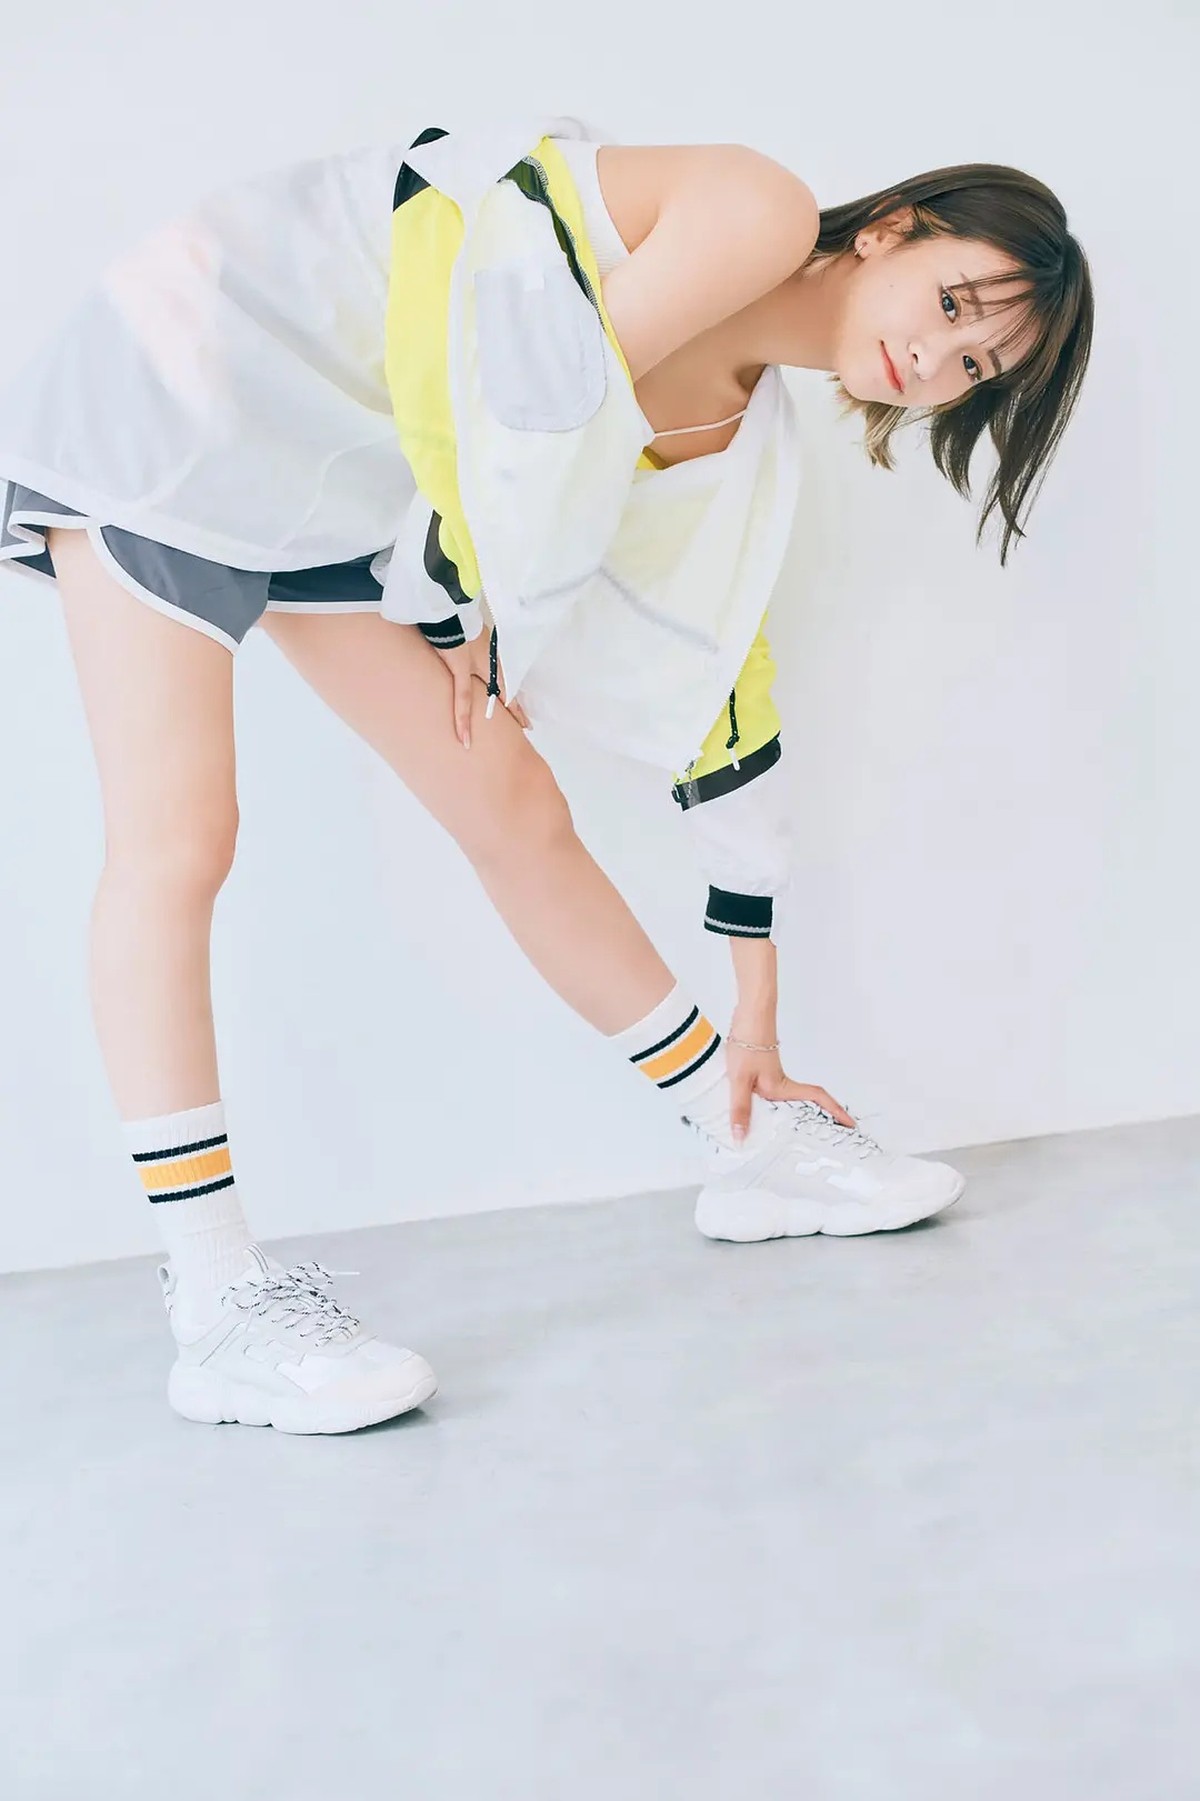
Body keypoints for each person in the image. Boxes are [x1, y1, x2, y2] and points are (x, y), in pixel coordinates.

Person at [0, 113, 1093, 1434]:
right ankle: (216, 1299)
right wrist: (459, 596)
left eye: (973, 367)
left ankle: (741, 1136)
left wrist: (759, 1017)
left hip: (344, 468)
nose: (933, 356)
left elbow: (717, 675)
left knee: (508, 800)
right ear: (894, 230)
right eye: (954, 302)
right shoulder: (756, 203)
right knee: (179, 840)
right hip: (201, 363)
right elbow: (534, 401)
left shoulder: (746, 435)